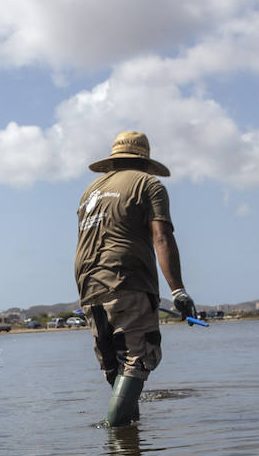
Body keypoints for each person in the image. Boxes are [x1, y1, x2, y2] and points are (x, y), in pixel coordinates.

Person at [74, 131, 197, 427]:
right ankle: (114, 434)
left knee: (116, 366)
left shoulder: (90, 190)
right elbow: (162, 236)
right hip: (126, 278)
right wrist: (178, 290)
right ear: (144, 162)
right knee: (139, 357)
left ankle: (130, 452)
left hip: (88, 284)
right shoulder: (148, 184)